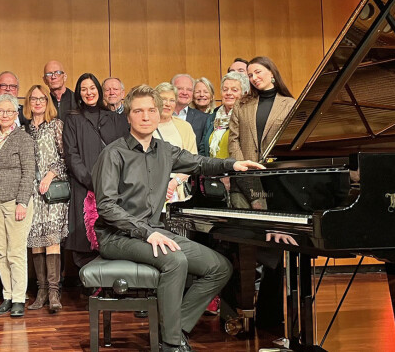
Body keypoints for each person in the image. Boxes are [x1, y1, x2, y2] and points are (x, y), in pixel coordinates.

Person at [92, 84, 264, 352]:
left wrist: (232, 164)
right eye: (138, 111)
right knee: (175, 261)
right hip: (117, 236)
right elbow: (107, 207)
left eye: (151, 110)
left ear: (159, 113)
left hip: (153, 230)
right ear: (128, 117)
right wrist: (146, 233)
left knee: (219, 267)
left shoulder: (165, 150)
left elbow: (200, 162)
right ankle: (171, 344)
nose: (146, 116)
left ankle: (174, 326)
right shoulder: (113, 153)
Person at [228, 56, 297, 335]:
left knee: (275, 254)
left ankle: (271, 317)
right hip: (245, 186)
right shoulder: (242, 104)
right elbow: (234, 142)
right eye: (251, 74)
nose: (255, 77)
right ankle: (238, 317)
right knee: (243, 252)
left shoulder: (290, 105)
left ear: (272, 73)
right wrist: (250, 184)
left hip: (279, 187)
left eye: (259, 72)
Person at [62, 73, 129, 268]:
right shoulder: (73, 118)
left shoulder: (116, 119)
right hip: (84, 186)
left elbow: (124, 152)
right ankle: (89, 286)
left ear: (98, 91)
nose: (88, 93)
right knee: (83, 238)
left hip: (113, 187)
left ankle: (108, 285)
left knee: (112, 235)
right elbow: (71, 154)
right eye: (83, 89)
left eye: (92, 88)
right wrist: (91, 180)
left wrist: (110, 181)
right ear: (79, 93)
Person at [0, 94, 36, 318]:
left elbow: (29, 172)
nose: (4, 114)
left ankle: (18, 299)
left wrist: (22, 201)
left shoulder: (22, 138)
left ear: (16, 113)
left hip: (16, 200)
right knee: (1, 252)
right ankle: (7, 295)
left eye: (9, 111)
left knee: (15, 252)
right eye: (0, 111)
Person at [22, 85, 69, 312]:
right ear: (28, 102)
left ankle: (54, 292)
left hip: (53, 192)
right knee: (36, 243)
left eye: (42, 98)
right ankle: (40, 291)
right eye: (34, 98)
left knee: (52, 241)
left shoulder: (56, 126)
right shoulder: (24, 130)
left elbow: (66, 157)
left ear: (48, 102)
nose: (38, 102)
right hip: (31, 193)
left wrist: (50, 175)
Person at [153, 82, 197, 207]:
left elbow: (192, 161)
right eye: (163, 99)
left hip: (178, 191)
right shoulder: (146, 125)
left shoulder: (185, 127)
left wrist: (173, 183)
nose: (167, 104)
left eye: (172, 100)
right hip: (151, 190)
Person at [200, 72, 250, 159]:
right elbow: (203, 148)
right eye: (225, 89)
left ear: (244, 93)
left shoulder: (248, 116)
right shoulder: (213, 116)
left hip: (238, 169)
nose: (228, 93)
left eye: (234, 90)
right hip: (212, 170)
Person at [171, 74, 209, 152]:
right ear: (171, 90)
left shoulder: (204, 119)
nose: (185, 93)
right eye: (180, 88)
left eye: (189, 89)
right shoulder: (159, 116)